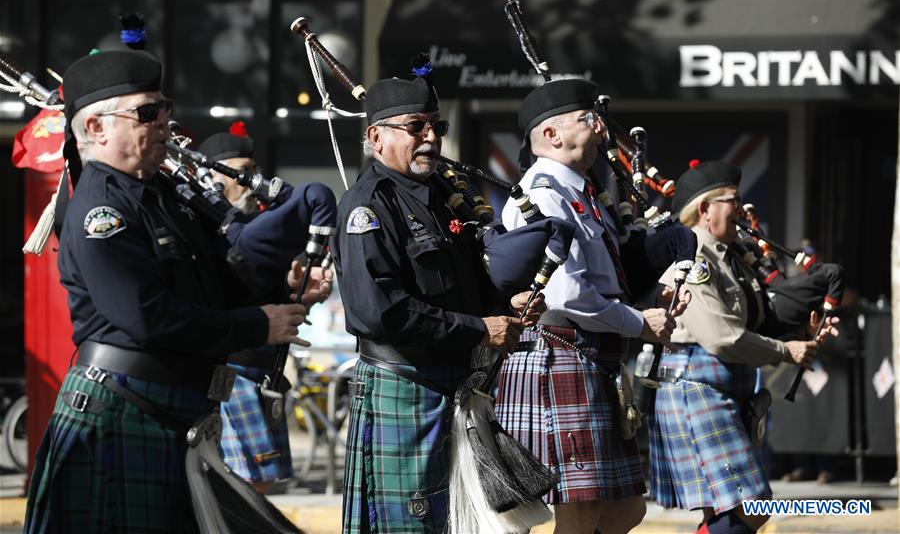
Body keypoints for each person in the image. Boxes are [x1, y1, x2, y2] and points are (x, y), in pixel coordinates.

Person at [23, 50, 316, 533]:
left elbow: (219, 284)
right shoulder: (102, 209)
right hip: (119, 416)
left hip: (174, 413)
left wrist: (284, 292)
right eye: (146, 112)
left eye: (165, 108)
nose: (164, 122)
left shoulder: (165, 198)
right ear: (96, 128)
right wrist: (258, 324)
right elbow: (147, 315)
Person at [333, 73, 543, 533]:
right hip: (403, 385)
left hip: (453, 387)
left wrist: (507, 303)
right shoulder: (367, 208)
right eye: (416, 127)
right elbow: (380, 311)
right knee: (411, 525)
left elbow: (466, 288)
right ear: (376, 137)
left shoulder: (444, 201)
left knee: (462, 524)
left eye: (436, 126)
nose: (430, 136)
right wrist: (478, 330)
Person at [494, 79, 688, 534]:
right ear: (552, 136)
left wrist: (647, 293)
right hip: (561, 353)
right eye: (587, 118)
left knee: (625, 511)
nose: (601, 126)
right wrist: (639, 323)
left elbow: (603, 278)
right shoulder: (544, 194)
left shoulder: (583, 193)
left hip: (592, 355)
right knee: (580, 513)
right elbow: (567, 294)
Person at [648, 160, 839, 534]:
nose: (740, 210)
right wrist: (787, 352)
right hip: (697, 389)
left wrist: (802, 327)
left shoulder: (729, 255)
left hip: (722, 388)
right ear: (705, 209)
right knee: (746, 507)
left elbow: (757, 317)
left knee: (732, 511)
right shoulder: (696, 258)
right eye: (732, 201)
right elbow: (722, 336)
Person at [197, 125, 335, 493]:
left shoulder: (256, 224)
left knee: (260, 485)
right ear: (213, 174)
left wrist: (299, 293)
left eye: (253, 170)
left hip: (262, 367)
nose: (250, 180)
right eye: (239, 170)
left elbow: (262, 292)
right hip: (230, 368)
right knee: (238, 486)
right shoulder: (205, 224)